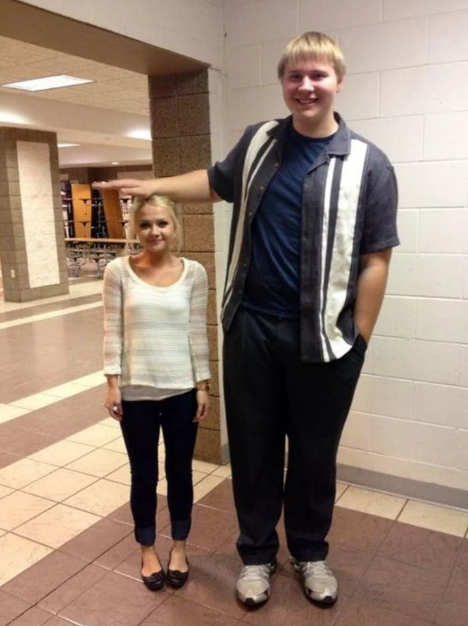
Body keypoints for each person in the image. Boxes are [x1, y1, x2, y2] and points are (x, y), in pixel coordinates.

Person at [94, 31, 399, 607]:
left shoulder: (369, 164)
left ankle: (309, 552)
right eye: (294, 76)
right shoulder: (260, 141)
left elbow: (376, 258)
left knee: (313, 455)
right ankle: (256, 555)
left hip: (324, 339)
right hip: (252, 329)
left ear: (338, 81)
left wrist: (358, 340)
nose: (305, 86)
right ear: (283, 82)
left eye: (317, 75)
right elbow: (214, 182)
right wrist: (154, 184)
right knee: (255, 451)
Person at [102, 195, 210, 591]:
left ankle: (179, 546)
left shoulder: (194, 273)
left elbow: (197, 331)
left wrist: (202, 385)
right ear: (135, 228)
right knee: (143, 474)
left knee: (180, 472)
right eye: (145, 224)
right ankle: (147, 549)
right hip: (136, 394)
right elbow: (112, 329)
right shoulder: (118, 271)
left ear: (175, 226)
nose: (154, 231)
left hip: (181, 390)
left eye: (161, 223)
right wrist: (112, 382)